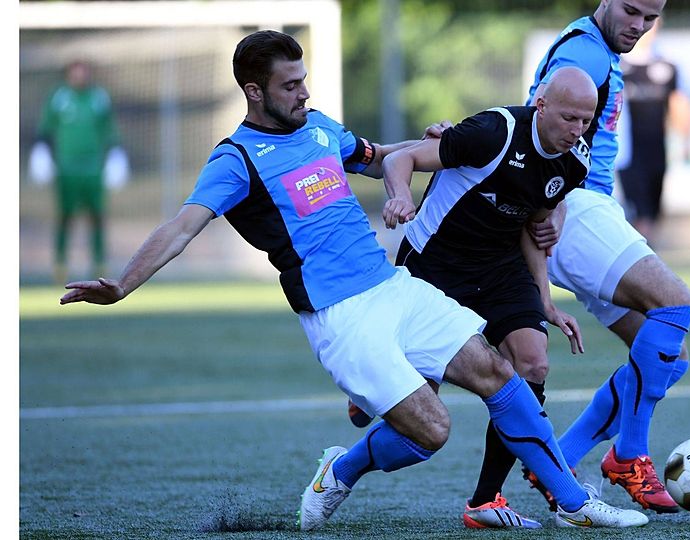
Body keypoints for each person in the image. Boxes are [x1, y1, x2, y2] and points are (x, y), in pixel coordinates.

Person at [59, 30, 649, 531]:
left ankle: (574, 503)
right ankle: (341, 469)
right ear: (254, 91)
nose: (304, 92)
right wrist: (123, 284)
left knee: (499, 372)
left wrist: (439, 144)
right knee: (432, 431)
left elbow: (379, 156)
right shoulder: (235, 160)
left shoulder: (319, 128)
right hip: (338, 317)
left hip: (391, 287)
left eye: (304, 80)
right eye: (291, 86)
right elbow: (181, 226)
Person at [379, 66, 597, 529]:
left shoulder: (576, 160)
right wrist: (400, 197)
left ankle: (486, 501)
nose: (577, 130)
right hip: (433, 265)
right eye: (568, 118)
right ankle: (343, 463)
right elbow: (399, 161)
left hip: (499, 269)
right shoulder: (492, 131)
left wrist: (546, 301)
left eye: (586, 120)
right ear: (540, 104)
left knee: (533, 361)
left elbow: (533, 227)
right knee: (413, 416)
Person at [521, 0, 690, 515]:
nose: (639, 27)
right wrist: (546, 202)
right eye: (631, 11)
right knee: (676, 304)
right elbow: (538, 129)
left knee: (668, 358)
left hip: (587, 210)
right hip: (574, 210)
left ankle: (558, 459)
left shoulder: (595, 47)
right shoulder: (585, 56)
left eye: (650, 18)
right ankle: (631, 455)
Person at [31, 60, 128, 284]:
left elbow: (110, 128)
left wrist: (116, 153)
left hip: (93, 169)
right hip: (66, 170)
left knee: (96, 217)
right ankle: (60, 263)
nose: (79, 77)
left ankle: (99, 263)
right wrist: (41, 150)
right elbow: (46, 126)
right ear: (68, 75)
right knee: (65, 216)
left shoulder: (98, 97)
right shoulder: (60, 97)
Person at [617, 18, 690, 243]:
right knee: (640, 214)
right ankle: (640, 268)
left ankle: (645, 263)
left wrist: (686, 143)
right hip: (626, 153)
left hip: (657, 151)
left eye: (651, 20)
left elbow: (680, 108)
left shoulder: (667, 67)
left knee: (652, 213)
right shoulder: (616, 66)